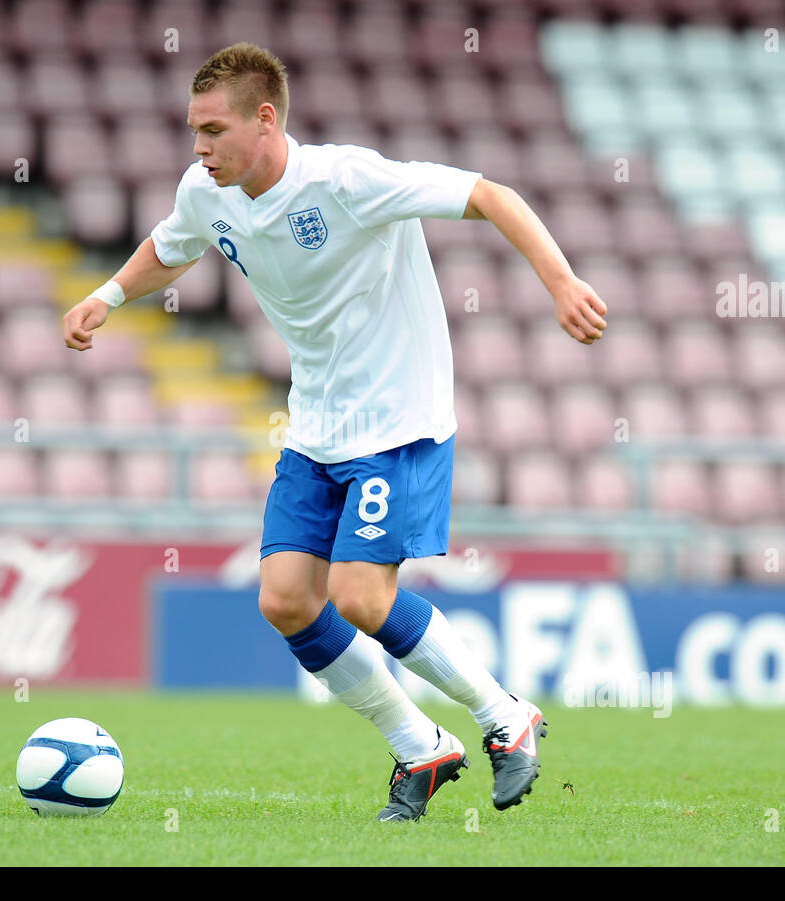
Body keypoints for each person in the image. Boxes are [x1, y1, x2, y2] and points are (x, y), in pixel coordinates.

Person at [62, 42, 608, 821]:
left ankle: (504, 717)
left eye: (213, 129)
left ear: (266, 118)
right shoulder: (204, 191)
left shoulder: (348, 180)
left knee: (359, 594)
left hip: (398, 419)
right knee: (285, 600)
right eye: (193, 131)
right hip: (317, 424)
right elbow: (172, 245)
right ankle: (421, 746)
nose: (199, 146)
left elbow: (491, 193)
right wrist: (107, 295)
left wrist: (561, 283)